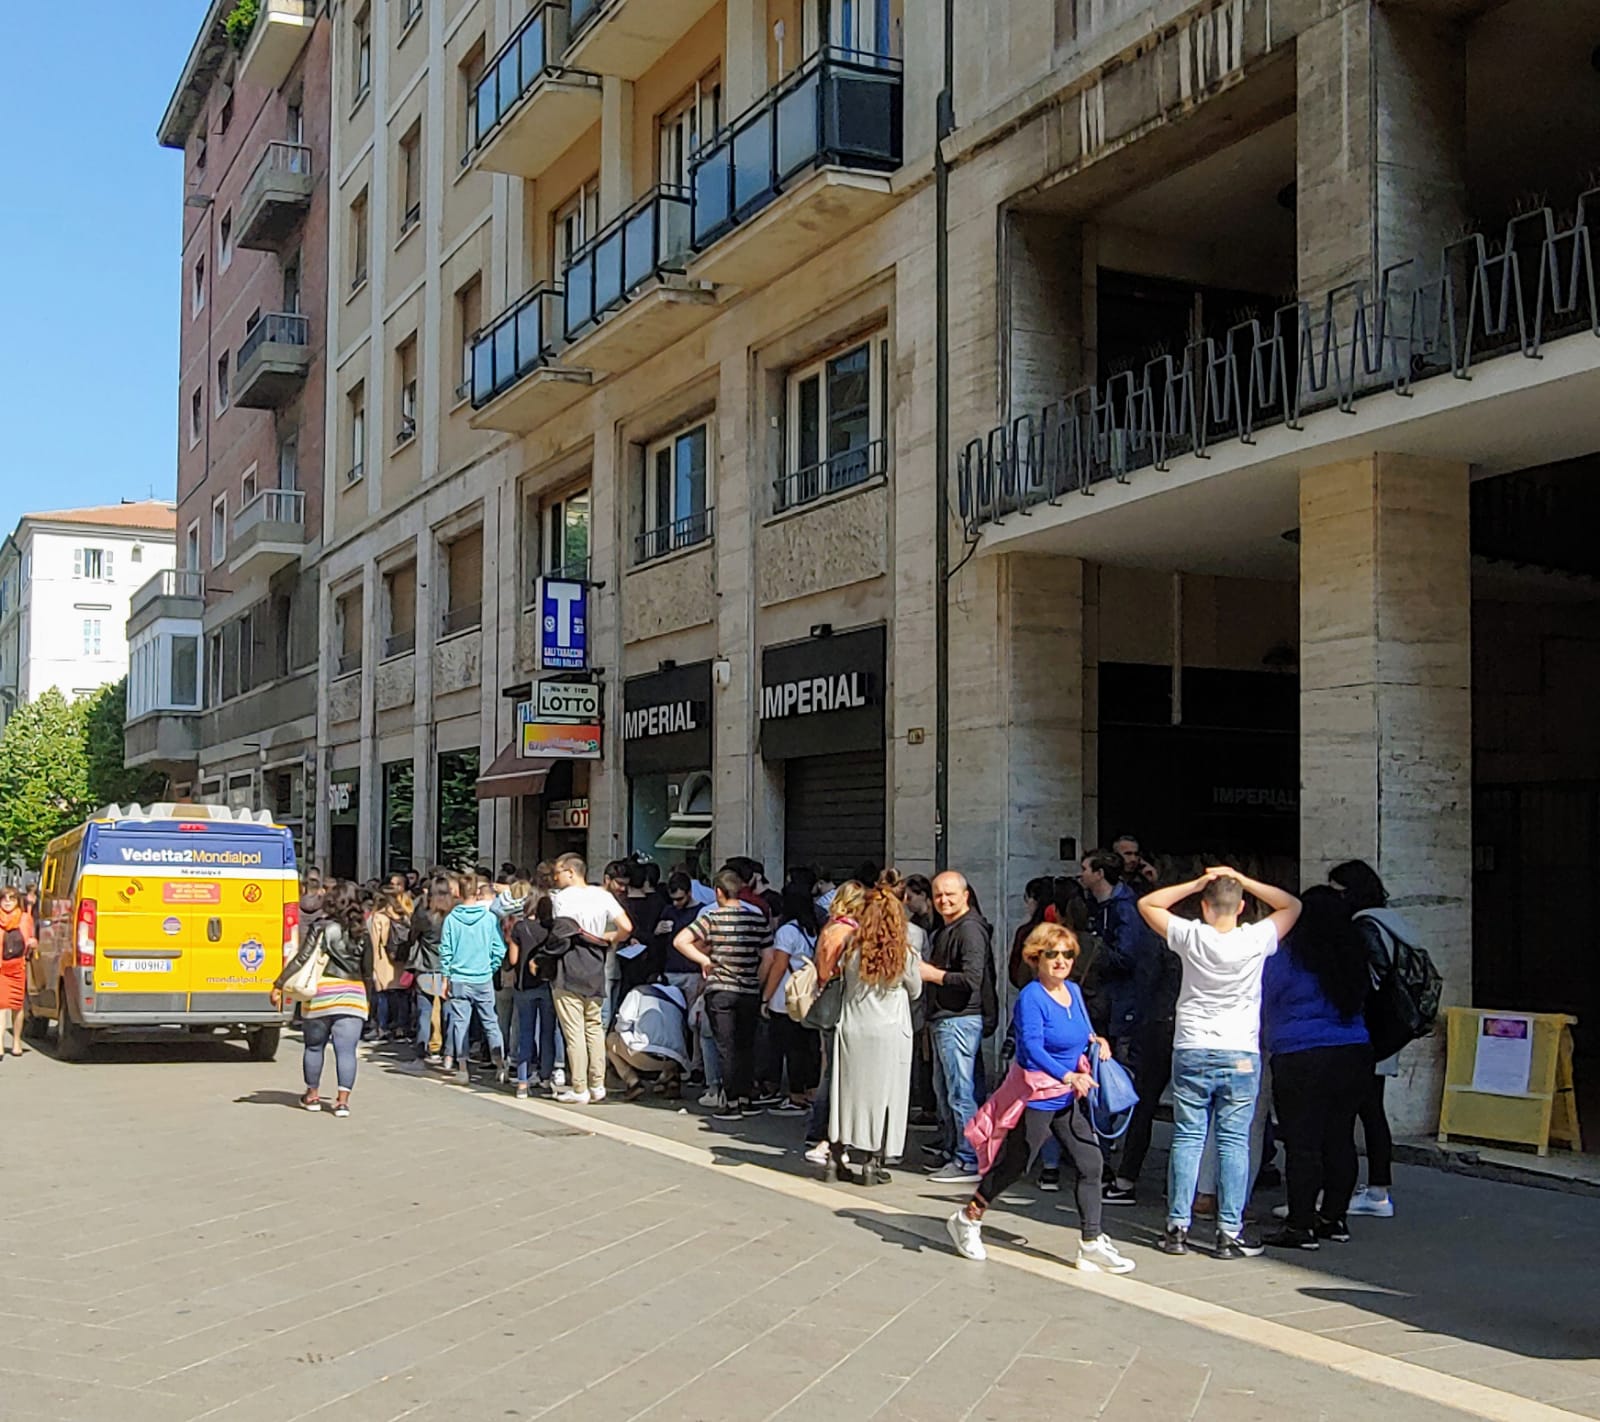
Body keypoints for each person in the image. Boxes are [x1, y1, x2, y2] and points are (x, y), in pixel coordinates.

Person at [946, 923, 1135, 1273]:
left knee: (1091, 1164)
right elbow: (1031, 1049)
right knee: (1016, 1165)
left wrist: (1097, 1041)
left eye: (1067, 954)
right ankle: (967, 1217)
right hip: (1035, 1098)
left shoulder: (1073, 991)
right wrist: (1068, 1075)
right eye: (1052, 954)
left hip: (1065, 1098)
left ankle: (1091, 1242)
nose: (1061, 961)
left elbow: (1083, 1031)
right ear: (1037, 958)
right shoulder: (1032, 997)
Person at [1138, 868, 1301, 1259]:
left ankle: (1177, 1227)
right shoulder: (1256, 938)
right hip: (1240, 1051)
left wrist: (1195, 884)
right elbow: (1292, 905)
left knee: (1188, 1137)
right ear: (1241, 907)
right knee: (1233, 1141)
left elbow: (1148, 904)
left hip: (1192, 1046)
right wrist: (1243, 879)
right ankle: (1229, 1231)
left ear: (1205, 907)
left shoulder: (1191, 935)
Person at [1260, 886, 1372, 1250]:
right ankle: (1334, 1218)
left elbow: (1266, 993)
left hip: (1300, 1052)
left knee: (1302, 1141)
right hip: (1353, 1050)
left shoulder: (1290, 955)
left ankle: (1300, 1223)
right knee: (1340, 1136)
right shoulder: (1353, 954)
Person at [817, 879, 923, 1183]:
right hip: (889, 1031)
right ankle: (871, 1162)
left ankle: (835, 1157)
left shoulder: (851, 949)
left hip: (852, 1028)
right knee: (885, 1096)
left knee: (846, 1095)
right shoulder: (903, 953)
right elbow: (915, 990)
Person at [1329, 858, 1412, 1219]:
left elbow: (1366, 981)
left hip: (1367, 1031)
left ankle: (1357, 1192)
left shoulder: (1364, 927)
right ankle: (1378, 1187)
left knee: (1349, 1113)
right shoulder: (1394, 922)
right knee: (1373, 1109)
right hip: (1390, 1029)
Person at [1104, 875, 1183, 1206]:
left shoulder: (1153, 939)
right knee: (1191, 1114)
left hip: (1157, 1023)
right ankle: (1181, 1183)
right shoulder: (1192, 936)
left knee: (1145, 1102)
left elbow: (1146, 985)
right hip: (1188, 1026)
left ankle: (1127, 1178)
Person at [673, 869, 772, 1120]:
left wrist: (705, 961)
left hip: (720, 988)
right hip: (749, 989)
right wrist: (756, 981)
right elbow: (768, 956)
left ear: (719, 892)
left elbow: (680, 941)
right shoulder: (757, 918)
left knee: (725, 1046)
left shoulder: (712, 917)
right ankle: (746, 1097)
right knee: (746, 1045)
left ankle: (730, 1100)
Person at [922, 871, 997, 1185]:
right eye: (938, 894)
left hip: (959, 1019)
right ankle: (956, 1149)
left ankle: (968, 1158)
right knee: (950, 1090)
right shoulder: (950, 928)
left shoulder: (969, 929)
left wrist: (932, 974)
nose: (943, 900)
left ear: (965, 896)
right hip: (948, 1019)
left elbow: (971, 979)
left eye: (950, 894)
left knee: (960, 1092)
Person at [271, 884, 372, 1116]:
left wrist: (279, 984)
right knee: (346, 1051)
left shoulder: (320, 927)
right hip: (354, 994)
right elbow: (368, 971)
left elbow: (302, 958)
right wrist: (368, 999)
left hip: (322, 993)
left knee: (314, 1047)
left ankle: (312, 1096)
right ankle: (342, 1102)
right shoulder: (363, 931)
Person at [549, 854, 632, 1105]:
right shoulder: (603, 896)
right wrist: (608, 937)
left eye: (558, 872)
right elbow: (627, 927)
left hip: (569, 966)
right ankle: (598, 1085)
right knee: (594, 1027)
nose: (556, 878)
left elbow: (561, 935)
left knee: (574, 1031)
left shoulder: (562, 898)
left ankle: (579, 1087)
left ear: (571, 872)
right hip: (597, 967)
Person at [804, 882, 867, 1164]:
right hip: (839, 1006)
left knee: (829, 1070)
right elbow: (835, 971)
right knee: (836, 1074)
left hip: (826, 1002)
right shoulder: (847, 932)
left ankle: (819, 1129)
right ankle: (825, 1133)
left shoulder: (830, 927)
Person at [439, 877, 509, 1087]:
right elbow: (499, 949)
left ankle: (462, 1069)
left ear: (459, 893)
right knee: (491, 1022)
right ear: (477, 893)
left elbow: (446, 951)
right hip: (482, 977)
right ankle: (500, 1065)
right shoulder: (489, 918)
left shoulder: (451, 919)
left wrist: (445, 977)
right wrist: (490, 967)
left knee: (460, 1024)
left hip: (459, 977)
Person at [760, 882, 822, 1116]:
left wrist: (765, 997)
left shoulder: (787, 931)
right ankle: (810, 1090)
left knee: (791, 1047)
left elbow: (779, 966)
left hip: (786, 996)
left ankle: (795, 1096)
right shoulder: (816, 928)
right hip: (810, 994)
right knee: (809, 1046)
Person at [1078, 850, 1141, 1048]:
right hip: (1101, 1001)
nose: (1081, 874)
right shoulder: (1094, 905)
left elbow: (1126, 957)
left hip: (1119, 1003)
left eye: (1085, 869)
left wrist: (1093, 949)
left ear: (1099, 874)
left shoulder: (1124, 909)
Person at [507, 892, 557, 1099]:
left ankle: (522, 1081)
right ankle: (546, 1079)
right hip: (547, 984)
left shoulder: (520, 927)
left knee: (525, 1033)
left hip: (524, 985)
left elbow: (513, 959)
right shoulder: (552, 927)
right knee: (547, 1033)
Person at [606, 981, 691, 1100]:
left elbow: (623, 1022)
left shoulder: (638, 992)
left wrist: (629, 1034)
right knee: (671, 1038)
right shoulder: (679, 997)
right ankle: (672, 1080)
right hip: (675, 1059)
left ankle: (633, 1082)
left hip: (644, 1055)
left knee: (611, 1040)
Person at [409, 881, 451, 1064]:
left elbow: (412, 936)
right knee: (448, 1011)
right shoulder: (452, 916)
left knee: (424, 1012)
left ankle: (422, 1050)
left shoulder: (423, 916)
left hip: (426, 966)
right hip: (447, 969)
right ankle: (449, 1051)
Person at [0, 885, 38, 1057]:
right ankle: (0, 1044)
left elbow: (32, 939)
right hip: (1, 968)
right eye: (4, 898)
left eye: (12, 898)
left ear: (17, 901)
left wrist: (33, 943)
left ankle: (16, 1041)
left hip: (18, 967)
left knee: (17, 1006)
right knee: (1, 1006)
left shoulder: (25, 918)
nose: (7, 902)